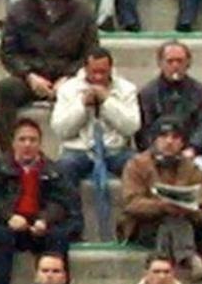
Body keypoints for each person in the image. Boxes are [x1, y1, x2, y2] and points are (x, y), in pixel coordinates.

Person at [0, 0, 98, 153]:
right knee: (4, 90)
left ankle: (83, 151)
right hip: (31, 76)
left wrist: (68, 77)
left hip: (69, 77)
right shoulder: (18, 11)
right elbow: (8, 52)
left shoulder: (83, 13)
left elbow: (90, 53)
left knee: (92, 92)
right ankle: (8, 154)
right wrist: (29, 76)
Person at [0, 117, 83, 284]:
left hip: (38, 226)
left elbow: (61, 201)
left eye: (33, 140)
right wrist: (8, 216)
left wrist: (45, 219)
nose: (27, 145)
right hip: (6, 225)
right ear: (13, 143)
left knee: (57, 236)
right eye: (22, 139)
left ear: (40, 143)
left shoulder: (53, 170)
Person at [119, 117, 202, 277]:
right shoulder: (137, 164)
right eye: (163, 137)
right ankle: (190, 258)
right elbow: (131, 202)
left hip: (182, 222)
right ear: (154, 140)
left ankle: (161, 264)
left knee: (174, 220)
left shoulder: (191, 167)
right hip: (144, 225)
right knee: (170, 219)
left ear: (182, 143)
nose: (169, 142)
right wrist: (161, 205)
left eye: (175, 137)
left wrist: (188, 208)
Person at [49, 46, 141, 186]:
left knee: (139, 166)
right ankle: (70, 208)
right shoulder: (67, 89)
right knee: (64, 168)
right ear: (85, 69)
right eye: (94, 72)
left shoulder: (127, 89)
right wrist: (82, 107)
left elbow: (131, 127)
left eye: (103, 72)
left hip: (115, 150)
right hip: (78, 150)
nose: (98, 77)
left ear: (111, 69)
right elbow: (61, 130)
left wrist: (107, 103)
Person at [138, 40, 202, 154]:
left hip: (191, 152)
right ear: (160, 63)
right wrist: (158, 149)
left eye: (180, 61)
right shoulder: (148, 93)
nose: (175, 65)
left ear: (188, 63)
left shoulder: (201, 92)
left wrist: (193, 148)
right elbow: (145, 129)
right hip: (156, 151)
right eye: (170, 61)